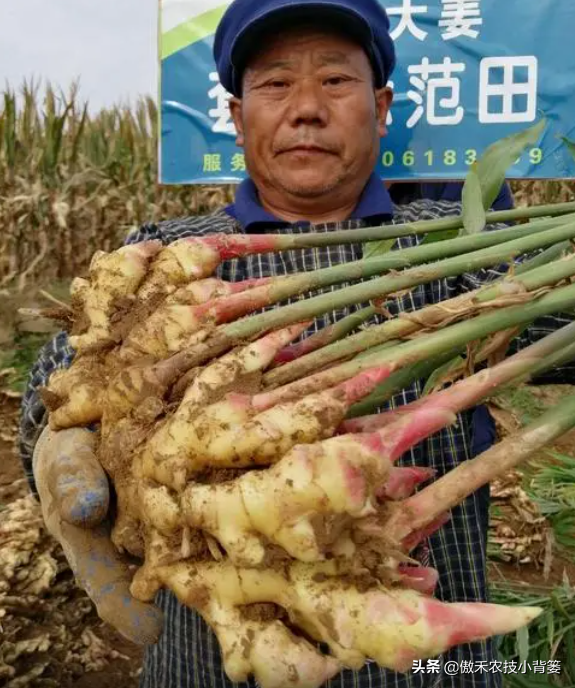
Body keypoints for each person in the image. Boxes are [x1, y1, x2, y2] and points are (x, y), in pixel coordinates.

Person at [18, 1, 575, 687]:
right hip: (206, 669)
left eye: (335, 82)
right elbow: (68, 371)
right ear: (234, 113)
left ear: (381, 104)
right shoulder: (164, 249)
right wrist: (49, 437)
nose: (305, 107)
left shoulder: (463, 243)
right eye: (276, 84)